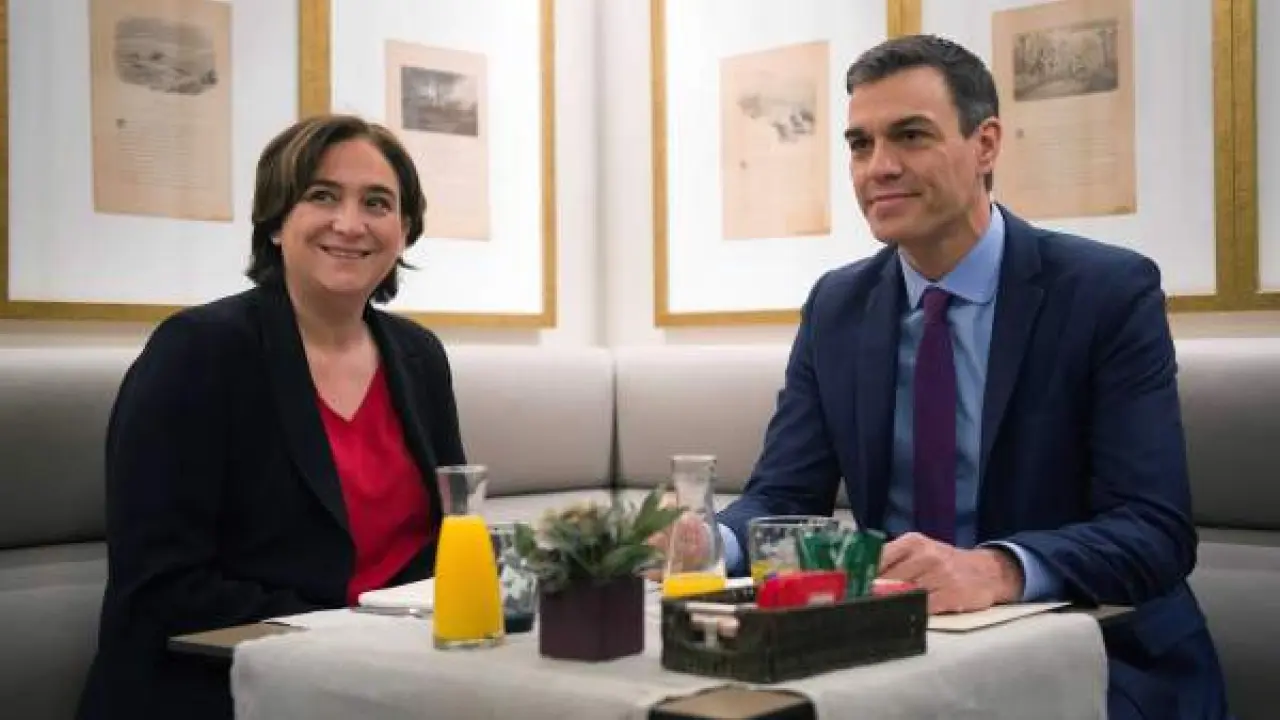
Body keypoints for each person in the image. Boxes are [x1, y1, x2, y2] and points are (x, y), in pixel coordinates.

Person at [672, 34, 1229, 719]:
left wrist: (996, 568)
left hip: (1095, 651)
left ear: (985, 144)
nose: (879, 167)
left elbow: (1153, 530)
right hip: (896, 655)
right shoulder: (837, 307)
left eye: (910, 136)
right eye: (860, 144)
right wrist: (710, 539)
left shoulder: (1106, 292)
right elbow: (784, 494)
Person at [76, 114, 466, 720]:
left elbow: (448, 541)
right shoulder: (197, 352)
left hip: (391, 679)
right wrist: (351, 635)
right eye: (322, 196)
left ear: (405, 230)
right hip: (225, 685)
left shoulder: (420, 357)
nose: (350, 223)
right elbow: (161, 587)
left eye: (377, 203)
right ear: (277, 222)